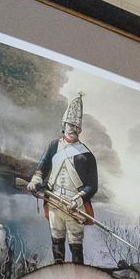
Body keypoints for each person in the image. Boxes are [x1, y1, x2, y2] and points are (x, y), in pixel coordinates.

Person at [28, 93, 98, 266]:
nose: (73, 128)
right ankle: (58, 271)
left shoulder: (87, 155)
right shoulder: (53, 145)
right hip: (53, 200)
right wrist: (35, 181)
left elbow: (92, 185)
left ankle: (77, 276)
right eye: (70, 124)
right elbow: (42, 166)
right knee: (56, 237)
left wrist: (78, 198)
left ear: (80, 129)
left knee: (75, 242)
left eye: (76, 126)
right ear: (64, 124)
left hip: (75, 204)